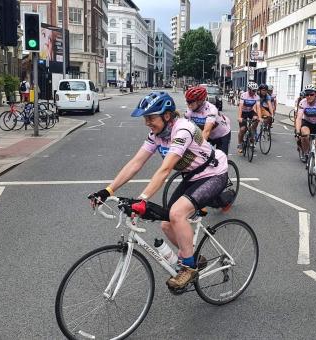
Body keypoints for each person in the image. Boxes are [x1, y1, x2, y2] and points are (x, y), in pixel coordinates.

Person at [89, 92, 229, 290]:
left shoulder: (183, 130)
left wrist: (143, 199)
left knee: (177, 213)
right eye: (145, 118)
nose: (147, 122)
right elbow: (136, 162)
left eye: (150, 117)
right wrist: (108, 190)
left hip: (214, 173)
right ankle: (195, 257)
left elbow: (164, 170)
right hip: (192, 176)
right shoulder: (157, 135)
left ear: (166, 116)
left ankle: (188, 268)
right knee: (166, 224)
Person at [184, 86, 232, 154]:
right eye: (187, 101)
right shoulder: (190, 110)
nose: (188, 105)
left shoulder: (211, 110)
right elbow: (185, 127)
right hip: (208, 135)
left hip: (222, 134)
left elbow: (206, 131)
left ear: (200, 101)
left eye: (190, 102)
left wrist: (198, 149)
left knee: (221, 159)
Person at [295, 83, 316, 180]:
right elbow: (299, 118)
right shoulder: (303, 102)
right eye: (307, 94)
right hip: (307, 122)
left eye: (311, 94)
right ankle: (306, 153)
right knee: (304, 134)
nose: (308, 96)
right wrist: (297, 131)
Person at [237, 81, 261, 154]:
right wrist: (239, 117)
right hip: (243, 112)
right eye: (253, 90)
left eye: (256, 90)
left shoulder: (256, 96)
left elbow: (258, 108)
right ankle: (240, 144)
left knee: (256, 119)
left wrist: (259, 117)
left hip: (250, 111)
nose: (255, 92)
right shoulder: (244, 95)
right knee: (242, 129)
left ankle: (252, 132)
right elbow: (240, 107)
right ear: (249, 89)